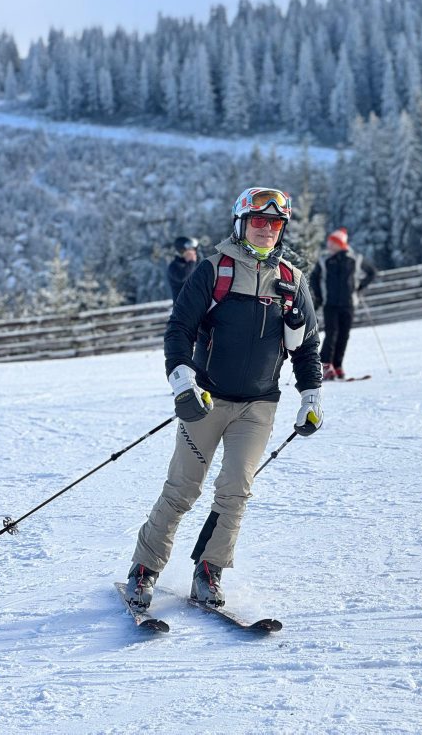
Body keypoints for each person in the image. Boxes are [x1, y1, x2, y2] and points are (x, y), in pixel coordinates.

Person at [125, 188, 324, 608]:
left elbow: (306, 346)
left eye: (275, 223)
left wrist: (310, 397)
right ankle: (144, 570)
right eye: (258, 221)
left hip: (259, 405)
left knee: (236, 492)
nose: (267, 229)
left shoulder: (292, 280)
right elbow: (179, 328)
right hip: (207, 400)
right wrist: (182, 381)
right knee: (182, 489)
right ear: (240, 223)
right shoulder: (214, 270)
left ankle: (209, 571)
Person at [309, 228, 378, 380]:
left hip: (349, 304)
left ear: (340, 244)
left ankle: (338, 365)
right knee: (331, 334)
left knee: (343, 336)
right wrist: (319, 296)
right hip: (330, 304)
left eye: (332, 243)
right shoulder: (325, 261)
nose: (329, 246)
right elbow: (314, 278)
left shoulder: (355, 259)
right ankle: (326, 366)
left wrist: (360, 288)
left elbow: (372, 272)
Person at [167, 236, 201, 302]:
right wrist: (191, 262)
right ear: (182, 250)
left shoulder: (194, 264)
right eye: (190, 249)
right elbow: (182, 276)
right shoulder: (174, 266)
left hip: (197, 305)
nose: (193, 251)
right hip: (182, 307)